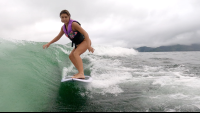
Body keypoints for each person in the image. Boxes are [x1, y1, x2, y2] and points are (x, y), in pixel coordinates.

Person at [43, 10, 94, 79]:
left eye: (66, 17)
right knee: (71, 56)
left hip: (85, 41)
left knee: (76, 53)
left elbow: (85, 33)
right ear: (60, 18)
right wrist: (49, 43)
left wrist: (89, 46)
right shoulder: (63, 28)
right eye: (62, 17)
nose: (64, 19)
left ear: (69, 17)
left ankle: (81, 73)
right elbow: (58, 37)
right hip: (78, 44)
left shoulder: (74, 24)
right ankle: (80, 72)